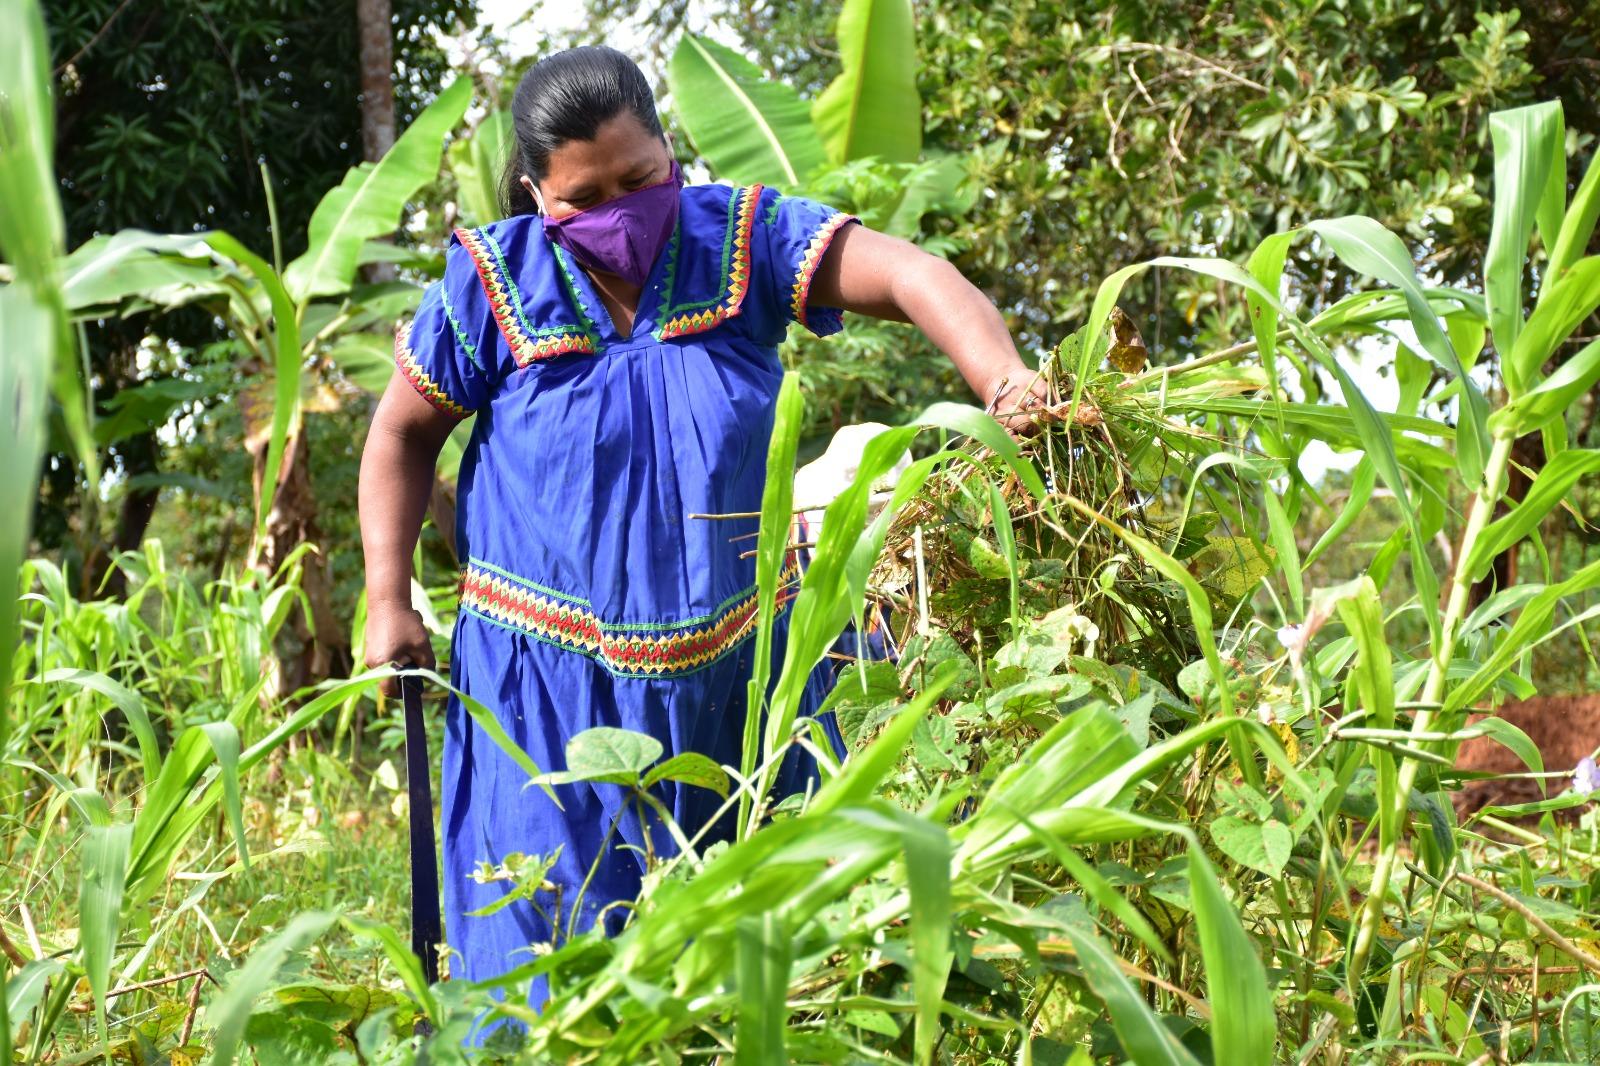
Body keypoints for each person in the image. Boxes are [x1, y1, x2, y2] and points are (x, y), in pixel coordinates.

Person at [357, 45, 1049, 1013]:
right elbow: (401, 434)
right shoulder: (495, 284)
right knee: (550, 973)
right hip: (544, 688)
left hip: (746, 671)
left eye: (640, 180)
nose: (620, 211)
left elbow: (912, 275)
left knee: (777, 967)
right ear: (536, 194)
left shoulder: (741, 239)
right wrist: (387, 598)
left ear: (671, 152)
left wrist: (1005, 383)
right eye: (584, 197)